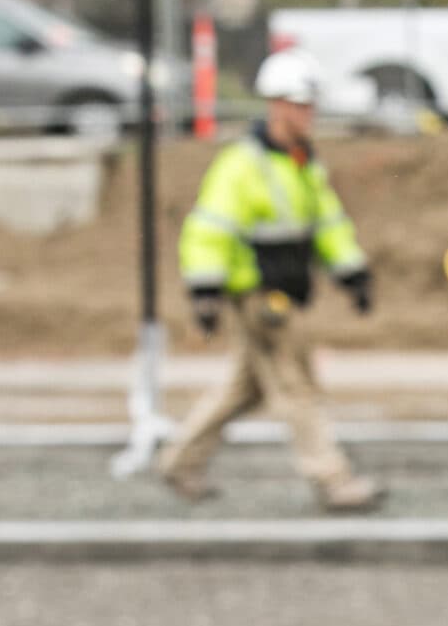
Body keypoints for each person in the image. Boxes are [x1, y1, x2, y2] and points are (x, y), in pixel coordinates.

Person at [157, 49, 383, 513]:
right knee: (296, 384)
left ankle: (180, 461)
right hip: (258, 296)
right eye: (302, 104)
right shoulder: (243, 165)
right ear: (277, 104)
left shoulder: (301, 165)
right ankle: (332, 478)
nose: (309, 114)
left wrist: (352, 272)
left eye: (311, 104)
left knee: (245, 390)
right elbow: (208, 228)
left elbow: (328, 225)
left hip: (288, 289)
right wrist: (205, 290)